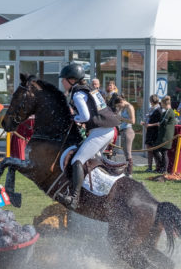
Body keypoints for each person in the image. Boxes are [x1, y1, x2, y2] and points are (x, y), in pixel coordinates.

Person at [57, 63, 119, 208]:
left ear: (72, 80)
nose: (62, 82)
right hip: (108, 129)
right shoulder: (90, 89)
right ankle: (96, 190)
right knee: (91, 160)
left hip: (100, 131)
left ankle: (74, 198)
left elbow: (85, 116)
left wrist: (74, 118)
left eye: (64, 79)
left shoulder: (78, 94)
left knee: (77, 160)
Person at [153, 96, 176, 176]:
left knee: (164, 152)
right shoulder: (165, 112)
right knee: (155, 150)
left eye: (161, 103)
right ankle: (161, 166)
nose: (161, 105)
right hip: (162, 135)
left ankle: (164, 169)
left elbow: (162, 122)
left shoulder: (170, 112)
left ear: (165, 104)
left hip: (166, 136)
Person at [113, 96, 136, 176]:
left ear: (122, 101)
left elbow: (133, 121)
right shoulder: (123, 107)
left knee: (128, 152)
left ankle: (129, 172)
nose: (119, 107)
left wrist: (121, 118)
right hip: (123, 130)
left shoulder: (129, 107)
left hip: (128, 131)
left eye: (119, 105)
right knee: (125, 152)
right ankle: (127, 171)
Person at [141, 94, 162, 172]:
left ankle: (158, 167)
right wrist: (145, 123)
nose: (150, 102)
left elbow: (160, 123)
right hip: (149, 131)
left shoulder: (159, 110)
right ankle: (149, 167)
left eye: (151, 100)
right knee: (149, 150)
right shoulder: (151, 109)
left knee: (155, 151)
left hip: (155, 132)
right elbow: (147, 118)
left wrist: (149, 124)